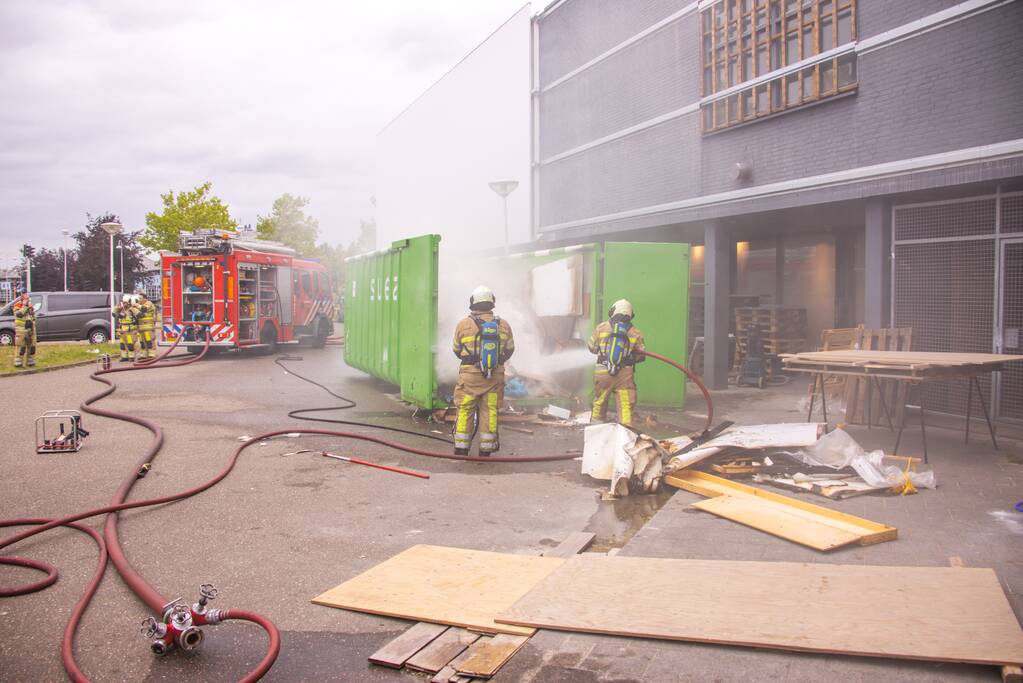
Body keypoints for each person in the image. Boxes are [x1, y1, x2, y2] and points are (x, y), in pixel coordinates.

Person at [451, 285, 515, 456]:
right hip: (494, 377)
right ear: (491, 302)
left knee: (465, 409)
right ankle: (486, 449)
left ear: (473, 303)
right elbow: (510, 350)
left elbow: (456, 349)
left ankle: (461, 448)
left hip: (469, 377)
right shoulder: (503, 325)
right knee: (490, 410)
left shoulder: (463, 324)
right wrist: (495, 363)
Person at [588, 299, 645, 427]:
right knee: (625, 405)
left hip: (603, 373)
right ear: (631, 315)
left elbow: (591, 347)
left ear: (612, 311)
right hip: (624, 374)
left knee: (599, 401)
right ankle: (625, 433)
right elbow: (641, 356)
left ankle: (596, 429)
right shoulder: (635, 332)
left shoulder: (601, 327)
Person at [12, 293, 37, 368]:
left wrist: (31, 311)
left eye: (28, 298)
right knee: (21, 346)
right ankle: (18, 362)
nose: (28, 299)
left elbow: (33, 316)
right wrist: (25, 306)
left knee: (32, 345)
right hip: (21, 330)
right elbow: (19, 315)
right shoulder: (17, 305)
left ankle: (30, 361)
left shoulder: (29, 305)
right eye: (26, 298)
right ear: (22, 298)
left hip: (30, 328)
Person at [113, 294, 139, 362]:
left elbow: (139, 315)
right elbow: (113, 314)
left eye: (125, 303)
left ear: (128, 303)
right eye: (123, 302)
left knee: (130, 344)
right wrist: (117, 308)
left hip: (130, 330)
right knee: (122, 344)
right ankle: (124, 357)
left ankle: (131, 357)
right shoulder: (120, 309)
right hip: (122, 329)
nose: (123, 304)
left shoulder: (132, 309)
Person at [135, 291, 157, 359]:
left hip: (148, 327)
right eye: (138, 298)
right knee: (142, 342)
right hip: (141, 328)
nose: (139, 300)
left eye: (140, 298)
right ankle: (144, 355)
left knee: (149, 341)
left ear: (145, 299)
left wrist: (137, 305)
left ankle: (151, 354)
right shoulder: (139, 305)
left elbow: (144, 309)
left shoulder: (149, 303)